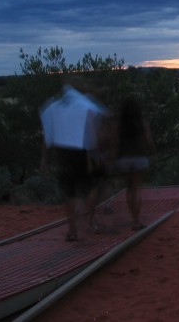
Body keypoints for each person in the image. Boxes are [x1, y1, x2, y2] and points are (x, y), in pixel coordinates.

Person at [40, 83, 109, 241]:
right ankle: (90, 221)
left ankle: (72, 229)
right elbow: (95, 130)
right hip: (81, 152)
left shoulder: (52, 107)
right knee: (90, 188)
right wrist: (97, 152)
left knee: (69, 193)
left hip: (62, 153)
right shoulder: (86, 106)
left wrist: (45, 158)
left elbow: (47, 136)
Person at [113, 95, 155, 230]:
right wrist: (153, 151)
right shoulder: (141, 122)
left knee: (129, 189)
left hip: (124, 159)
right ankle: (136, 220)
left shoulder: (119, 124)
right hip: (140, 158)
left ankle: (133, 218)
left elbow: (115, 142)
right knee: (137, 189)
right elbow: (148, 140)